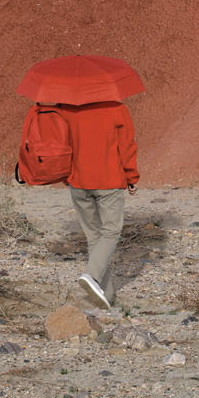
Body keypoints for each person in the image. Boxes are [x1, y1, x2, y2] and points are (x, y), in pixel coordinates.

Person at [59, 98, 139, 309]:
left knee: (94, 236)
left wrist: (65, 174)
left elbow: (61, 144)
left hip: (78, 181)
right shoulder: (116, 109)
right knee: (111, 232)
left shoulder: (67, 108)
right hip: (108, 181)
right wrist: (132, 176)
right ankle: (92, 275)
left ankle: (106, 295)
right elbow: (127, 145)